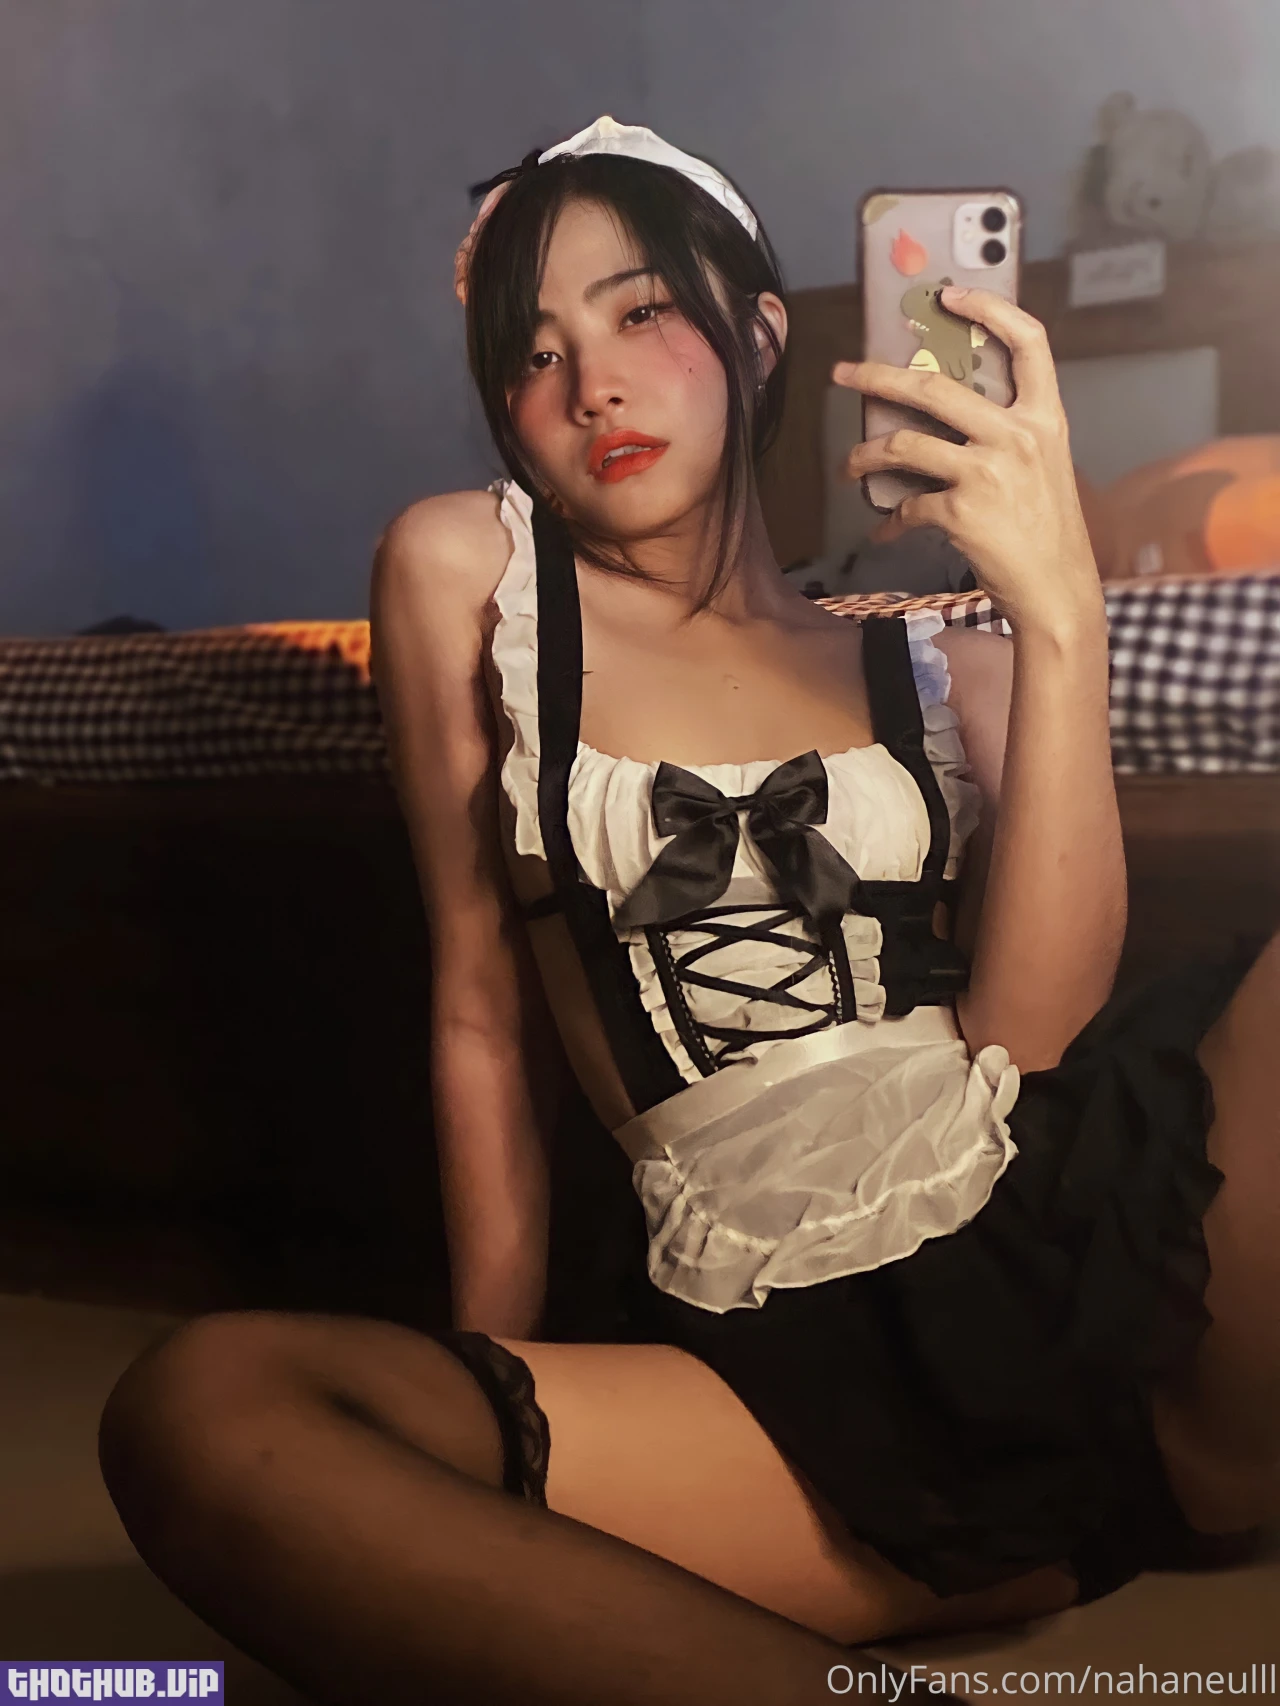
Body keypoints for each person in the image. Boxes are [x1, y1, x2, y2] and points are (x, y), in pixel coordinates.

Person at [97, 117, 1279, 1706]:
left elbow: (1037, 1062)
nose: (591, 383)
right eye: (533, 353)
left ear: (761, 332)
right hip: (763, 1368)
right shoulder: (471, 578)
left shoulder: (964, 666)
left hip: (1067, 1287)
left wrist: (1063, 614)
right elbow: (479, 1005)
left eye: (642, 310)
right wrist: (490, 1372)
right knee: (201, 1407)